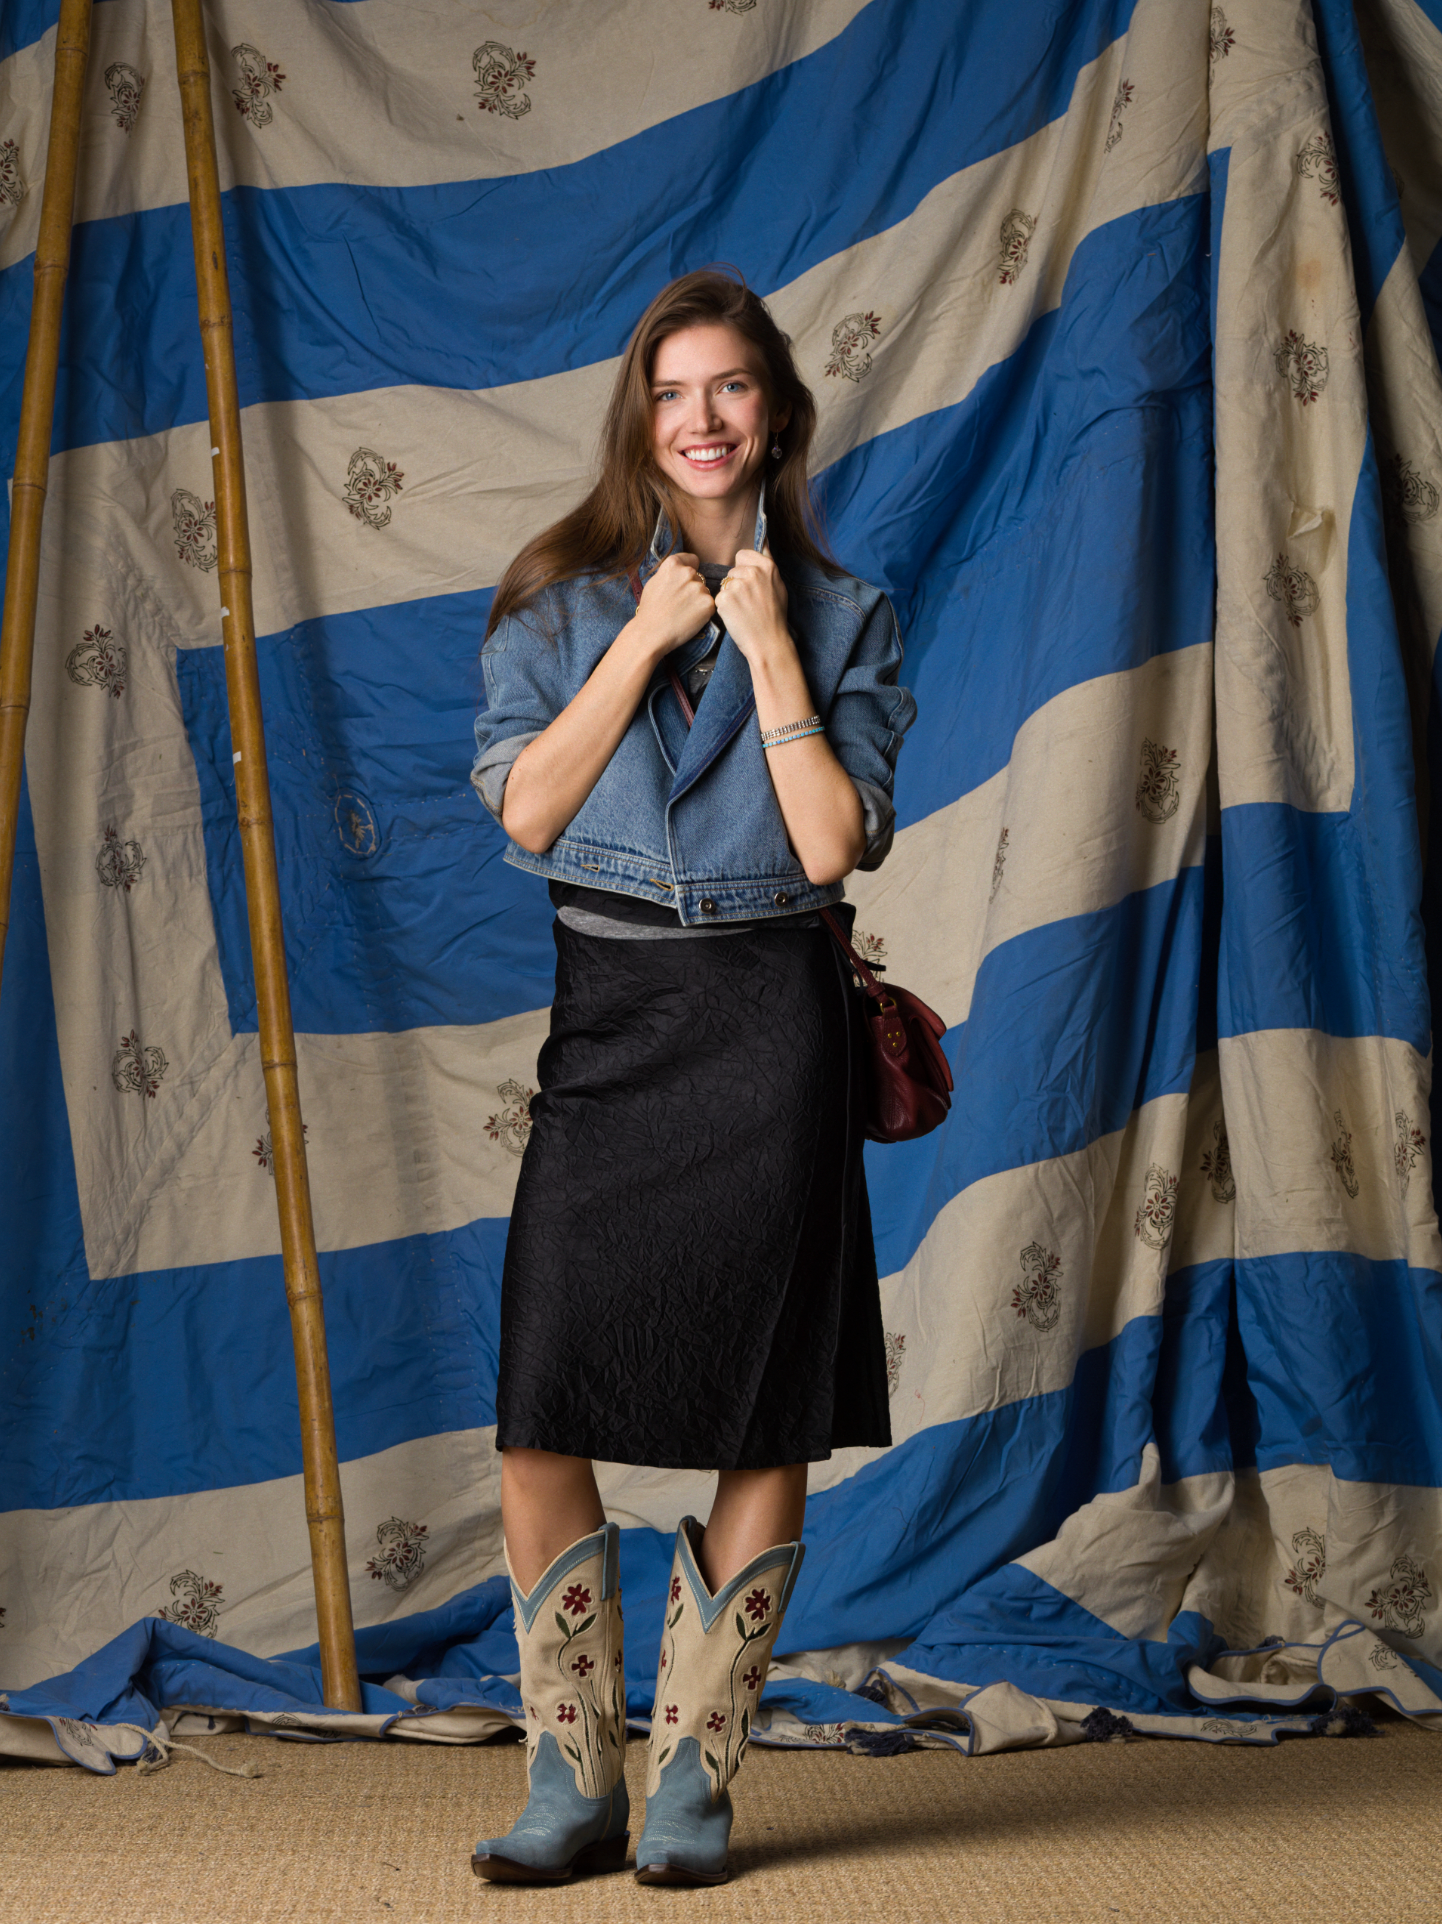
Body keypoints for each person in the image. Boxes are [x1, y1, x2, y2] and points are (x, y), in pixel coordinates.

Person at [467, 267, 915, 1887]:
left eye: (730, 390)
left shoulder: (850, 612)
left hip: (767, 1025)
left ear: (775, 414)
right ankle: (573, 1774)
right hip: (613, 1024)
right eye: (673, 393)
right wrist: (649, 631)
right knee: (544, 1401)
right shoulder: (554, 600)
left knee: (761, 1407)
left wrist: (770, 643)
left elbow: (824, 844)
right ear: (638, 420)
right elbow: (524, 816)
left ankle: (692, 1785)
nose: (702, 419)